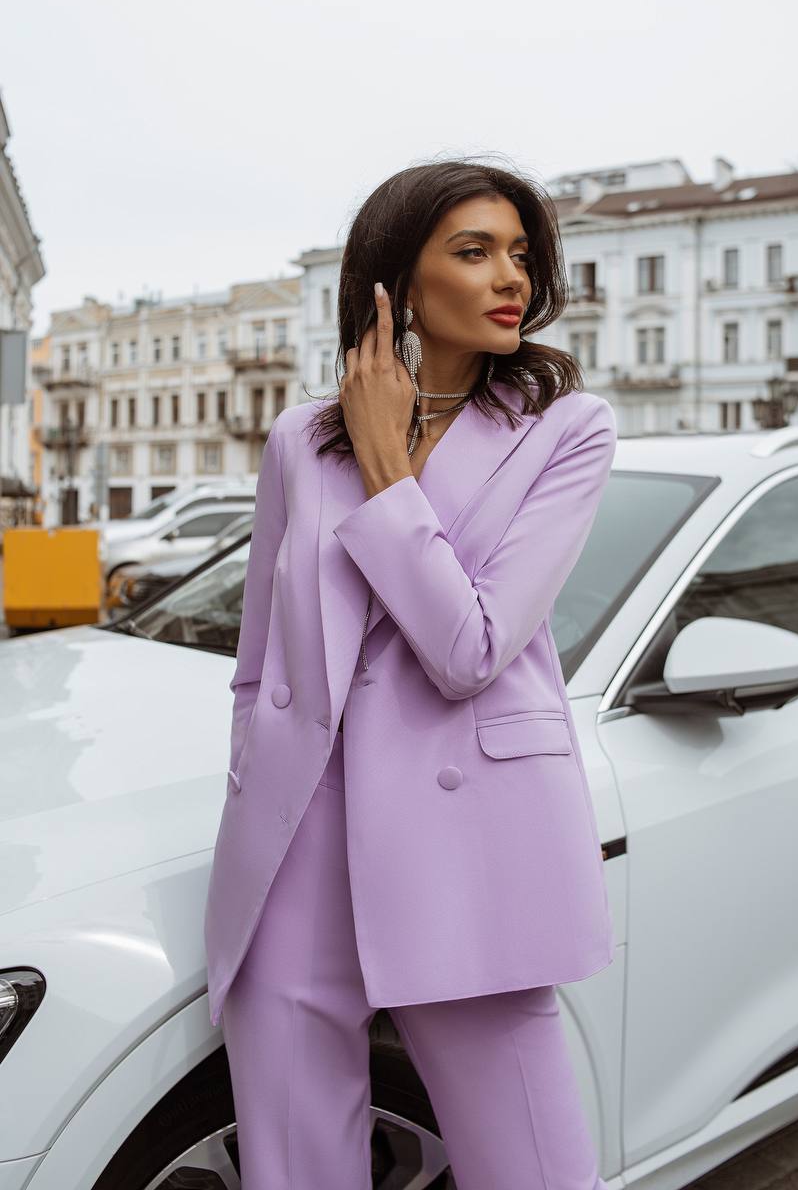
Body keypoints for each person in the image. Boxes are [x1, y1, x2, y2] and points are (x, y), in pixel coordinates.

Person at [204, 156, 617, 1188]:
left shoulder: (565, 430)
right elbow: (259, 659)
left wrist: (389, 465)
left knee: (528, 1167)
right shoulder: (300, 439)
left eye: (519, 253)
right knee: (293, 1164)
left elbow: (469, 649)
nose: (510, 276)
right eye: (474, 251)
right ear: (395, 281)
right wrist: (254, 768)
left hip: (467, 834)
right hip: (296, 841)